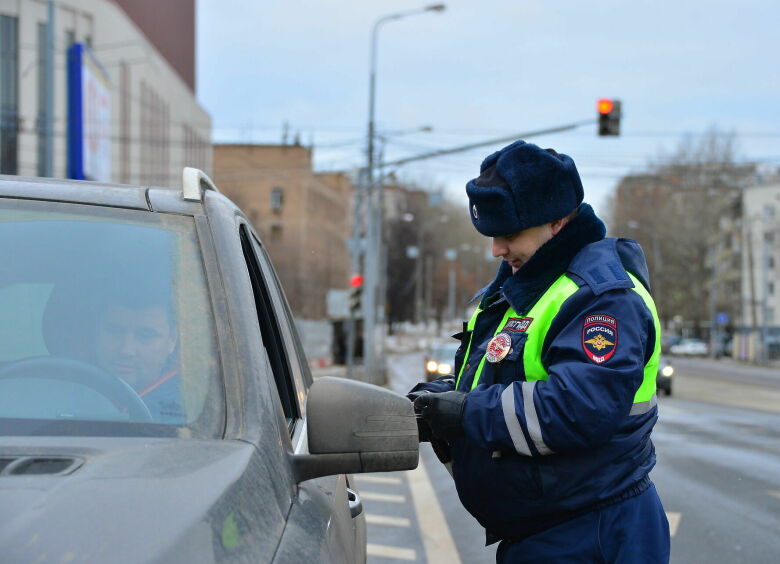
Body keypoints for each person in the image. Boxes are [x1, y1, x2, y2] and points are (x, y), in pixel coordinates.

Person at [408, 140, 670, 563]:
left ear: (558, 222)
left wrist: (466, 413)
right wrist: (438, 401)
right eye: (492, 235)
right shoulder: (528, 286)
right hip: (548, 532)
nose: (497, 249)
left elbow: (581, 407)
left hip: (591, 533)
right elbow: (501, 376)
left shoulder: (601, 297)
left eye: (509, 235)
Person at [94, 286, 185, 424]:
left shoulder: (188, 408)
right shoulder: (61, 387)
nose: (126, 350)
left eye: (146, 335)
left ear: (172, 340)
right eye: (115, 331)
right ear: (97, 332)